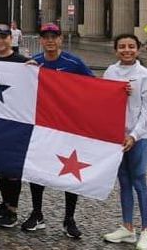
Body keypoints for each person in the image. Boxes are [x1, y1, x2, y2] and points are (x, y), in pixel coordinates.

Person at [21, 22, 93, 238]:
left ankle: (69, 218)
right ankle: (37, 213)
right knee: (37, 170)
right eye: (46, 37)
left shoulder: (73, 62)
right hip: (43, 125)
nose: (50, 40)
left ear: (60, 39)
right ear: (41, 40)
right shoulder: (36, 63)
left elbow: (94, 87)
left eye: (54, 36)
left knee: (70, 172)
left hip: (68, 126)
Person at [102, 33, 147, 250]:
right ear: (116, 50)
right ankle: (127, 227)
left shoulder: (146, 74)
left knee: (139, 180)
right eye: (122, 47)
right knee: (124, 181)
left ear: (138, 49)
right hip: (117, 136)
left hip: (139, 136)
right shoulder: (110, 71)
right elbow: (104, 101)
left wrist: (134, 135)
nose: (127, 50)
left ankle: (146, 230)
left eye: (131, 46)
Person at [0, 24, 30, 229]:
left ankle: (13, 210)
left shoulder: (23, 62)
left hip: (15, 121)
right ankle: (5, 203)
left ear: (11, 38)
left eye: (4, 37)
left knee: (11, 168)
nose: (0, 40)